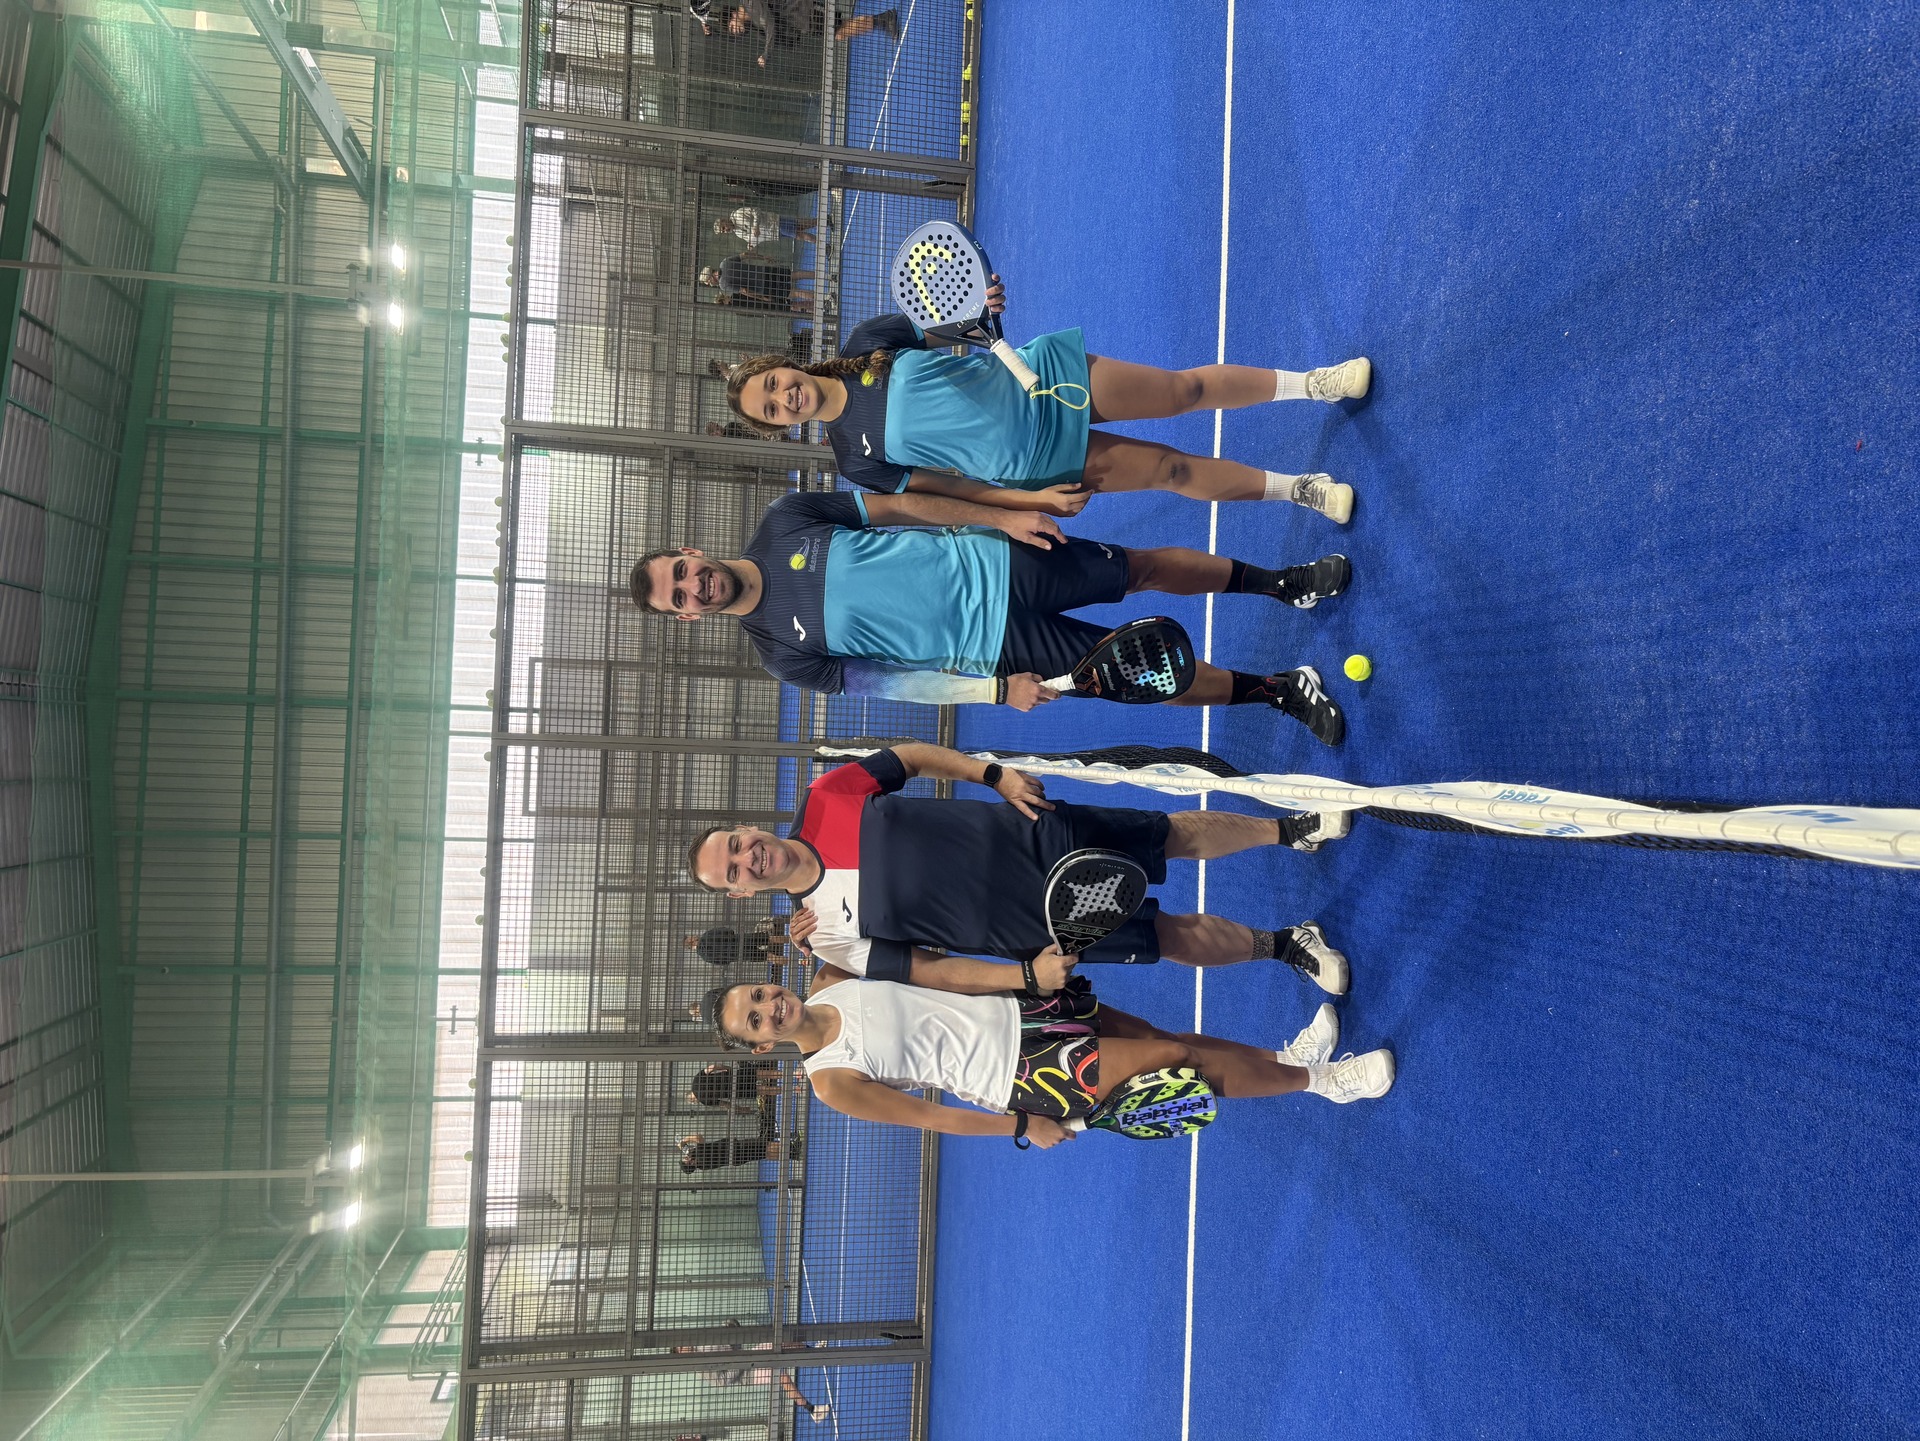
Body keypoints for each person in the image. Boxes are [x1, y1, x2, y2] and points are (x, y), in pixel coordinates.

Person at [630, 487, 1350, 742]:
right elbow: (896, 684)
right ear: (687, 618)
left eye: (683, 572)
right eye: (680, 597)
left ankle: (1281, 581)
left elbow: (900, 507)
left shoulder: (787, 519)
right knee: (1147, 675)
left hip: (999, 561)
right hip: (999, 648)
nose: (696, 586)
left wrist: (1000, 518)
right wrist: (994, 690)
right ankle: (1277, 690)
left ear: (692, 551)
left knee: (1141, 569)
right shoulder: (780, 655)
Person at [684, 743, 1356, 991]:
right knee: (1168, 937)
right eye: (733, 872)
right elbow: (929, 969)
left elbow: (910, 758)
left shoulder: (825, 797)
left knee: (1168, 836)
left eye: (736, 845)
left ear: (746, 828)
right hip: (1037, 927)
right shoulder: (826, 936)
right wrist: (1025, 976)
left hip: (1035, 833)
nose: (747, 859)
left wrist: (994, 775)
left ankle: (1289, 829)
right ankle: (1285, 945)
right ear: (740, 895)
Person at [719, 277, 1370, 518]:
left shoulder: (868, 342)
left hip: (1042, 381)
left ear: (784, 366)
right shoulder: (854, 460)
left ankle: (1313, 383)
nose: (784, 398)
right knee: (1170, 471)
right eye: (770, 410)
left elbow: (957, 326)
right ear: (780, 427)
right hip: (1033, 461)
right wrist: (1030, 501)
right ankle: (1300, 490)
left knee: (1183, 390)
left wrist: (983, 305)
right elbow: (955, 490)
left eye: (773, 384)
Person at [703, 967, 1395, 1155]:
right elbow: (930, 1117)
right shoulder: (830, 1081)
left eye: (758, 994)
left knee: (1163, 1034)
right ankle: (1326, 1081)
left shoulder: (829, 979)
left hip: (1027, 1010)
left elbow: (932, 970)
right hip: (1022, 1075)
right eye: (756, 1020)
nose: (770, 1006)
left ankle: (1288, 1059)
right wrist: (1019, 1125)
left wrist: (1020, 977)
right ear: (761, 1045)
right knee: (1177, 1060)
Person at [672, 1320, 832, 1423]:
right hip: (749, 1374)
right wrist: (739, 1361)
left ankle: (813, 1350)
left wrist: (730, 1328)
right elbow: (722, 1381)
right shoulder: (701, 1368)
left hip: (750, 1356)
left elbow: (729, 1345)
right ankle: (813, 1410)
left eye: (681, 1344)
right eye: (681, 1348)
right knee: (783, 1377)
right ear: (682, 1355)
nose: (684, 1346)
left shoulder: (701, 1343)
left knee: (780, 1343)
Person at [699, 1, 900, 67]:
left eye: (731, 26)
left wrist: (766, 54)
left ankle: (884, 20)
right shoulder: (751, 20)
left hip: (806, 11)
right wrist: (712, 32)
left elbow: (770, 25)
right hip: (804, 22)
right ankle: (882, 20)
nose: (735, 31)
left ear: (734, 15)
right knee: (840, 31)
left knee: (839, 31)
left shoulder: (751, 4)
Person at [699, 252, 813, 312]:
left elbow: (744, 290)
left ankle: (818, 299)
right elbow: (745, 254)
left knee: (793, 293)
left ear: (710, 278)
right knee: (794, 275)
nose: (710, 284)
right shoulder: (724, 262)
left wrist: (762, 297)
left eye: (708, 282)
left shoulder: (723, 284)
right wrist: (763, 257)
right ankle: (820, 275)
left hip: (763, 287)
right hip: (764, 271)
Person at [715, 205, 818, 248]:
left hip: (774, 223)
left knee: (799, 234)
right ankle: (821, 222)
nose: (725, 231)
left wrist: (756, 225)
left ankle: (821, 244)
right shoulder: (737, 233)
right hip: (773, 235)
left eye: (723, 228)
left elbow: (756, 210)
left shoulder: (739, 213)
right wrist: (751, 245)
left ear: (724, 220)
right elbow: (753, 238)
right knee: (800, 227)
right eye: (723, 232)